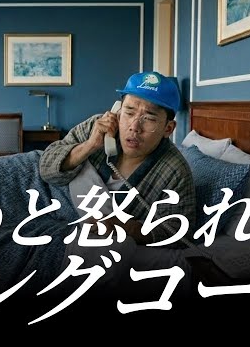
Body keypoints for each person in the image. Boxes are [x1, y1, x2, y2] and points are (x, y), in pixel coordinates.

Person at [40, 71, 196, 245]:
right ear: (118, 112)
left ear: (168, 128)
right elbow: (46, 168)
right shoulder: (97, 126)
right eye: (129, 113)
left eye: (149, 118)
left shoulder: (175, 172)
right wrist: (90, 145)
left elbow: (178, 233)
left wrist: (127, 228)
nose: (134, 127)